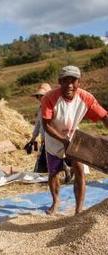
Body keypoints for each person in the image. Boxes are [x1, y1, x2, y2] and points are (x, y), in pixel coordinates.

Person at [41, 65, 108, 215]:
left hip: (74, 138)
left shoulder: (86, 97)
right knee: (53, 173)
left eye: (74, 81)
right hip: (54, 139)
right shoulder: (49, 98)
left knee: (79, 171)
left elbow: (104, 116)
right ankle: (55, 201)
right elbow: (46, 125)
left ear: (79, 82)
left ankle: (78, 210)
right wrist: (63, 141)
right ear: (60, 81)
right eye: (66, 81)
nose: (70, 85)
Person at [25, 83, 52, 173]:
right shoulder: (41, 108)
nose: (40, 98)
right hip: (45, 140)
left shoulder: (53, 107)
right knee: (41, 168)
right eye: (38, 96)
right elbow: (38, 125)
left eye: (42, 95)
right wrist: (32, 140)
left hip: (54, 140)